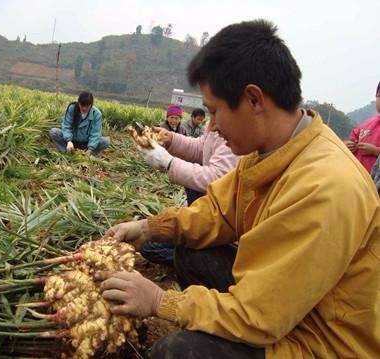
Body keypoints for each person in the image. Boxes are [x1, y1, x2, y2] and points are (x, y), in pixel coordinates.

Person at [96, 20, 380, 359]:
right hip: (288, 307)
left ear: (254, 99)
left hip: (321, 339)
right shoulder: (267, 151)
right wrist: (150, 228)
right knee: (190, 250)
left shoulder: (325, 186)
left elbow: (261, 315)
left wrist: (161, 302)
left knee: (177, 353)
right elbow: (218, 211)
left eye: (215, 111)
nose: (212, 126)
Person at [137, 116, 238, 266]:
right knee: (149, 245)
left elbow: (219, 178)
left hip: (225, 227)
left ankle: (190, 258)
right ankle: (188, 247)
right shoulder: (220, 122)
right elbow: (201, 148)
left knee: (169, 250)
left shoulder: (240, 134)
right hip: (212, 216)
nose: (212, 126)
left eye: (215, 110)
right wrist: (171, 139)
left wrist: (169, 163)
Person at [49, 92, 110, 156]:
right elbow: (66, 126)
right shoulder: (72, 108)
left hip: (86, 143)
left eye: (87, 106)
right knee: (54, 132)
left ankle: (87, 155)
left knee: (105, 141)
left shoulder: (96, 114)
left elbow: (95, 133)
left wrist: (90, 149)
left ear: (91, 105)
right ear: (78, 103)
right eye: (82, 105)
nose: (84, 108)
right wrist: (69, 141)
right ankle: (67, 153)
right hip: (72, 141)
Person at [344, 82, 380, 172]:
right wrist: (348, 146)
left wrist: (375, 151)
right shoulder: (368, 123)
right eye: (379, 96)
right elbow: (354, 137)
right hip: (358, 177)